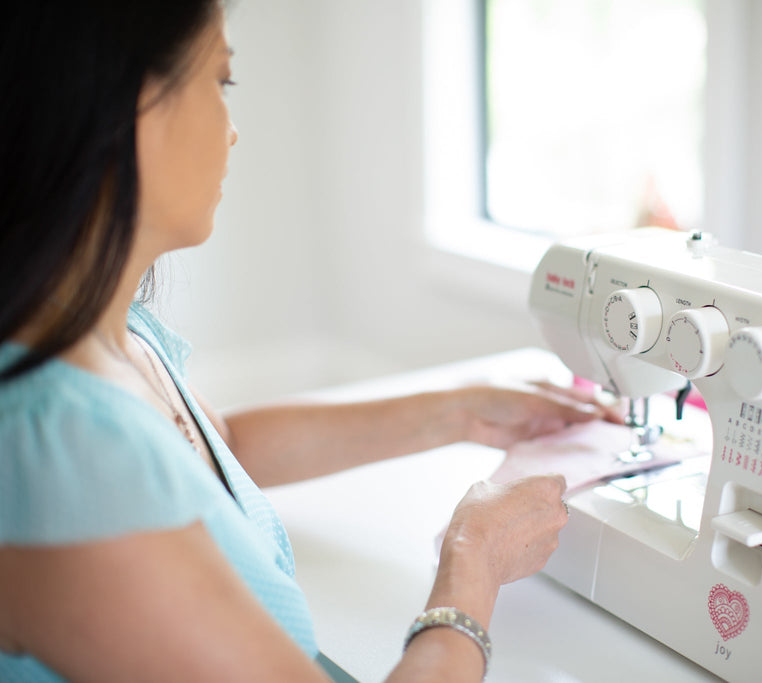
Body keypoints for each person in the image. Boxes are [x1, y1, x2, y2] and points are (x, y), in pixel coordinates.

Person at [0, 3, 620, 681]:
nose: (233, 130)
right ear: (125, 112)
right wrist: (473, 562)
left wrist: (459, 410)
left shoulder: (101, 330)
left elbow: (215, 450)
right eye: (221, 80)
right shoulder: (60, 455)